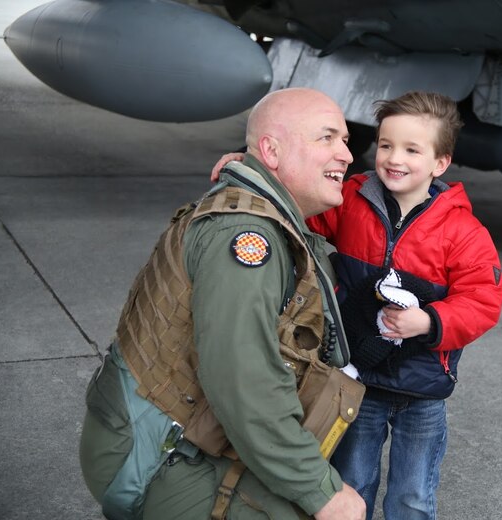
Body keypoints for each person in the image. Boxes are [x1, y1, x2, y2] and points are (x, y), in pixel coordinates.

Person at [212, 91, 502, 520]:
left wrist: (430, 320)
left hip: (422, 388)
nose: (393, 158)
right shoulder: (352, 199)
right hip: (357, 382)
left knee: (412, 497)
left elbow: (483, 299)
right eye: (386, 145)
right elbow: (300, 207)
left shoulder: (462, 231)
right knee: (352, 484)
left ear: (440, 163)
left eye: (411, 149)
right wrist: (249, 165)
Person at [79, 88, 367, 520]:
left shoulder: (262, 211)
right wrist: (320, 492)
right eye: (326, 138)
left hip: (148, 436)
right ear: (270, 150)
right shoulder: (247, 238)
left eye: (345, 141)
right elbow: (243, 380)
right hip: (151, 457)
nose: (345, 154)